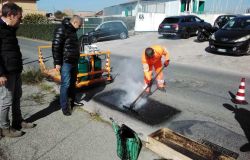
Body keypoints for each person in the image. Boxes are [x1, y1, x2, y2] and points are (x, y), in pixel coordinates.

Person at [0, 2, 35, 138]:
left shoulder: (9, 29)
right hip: (6, 72)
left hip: (15, 70)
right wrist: (1, 73)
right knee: (6, 100)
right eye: (19, 18)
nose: (20, 20)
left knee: (16, 97)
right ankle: (4, 128)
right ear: (10, 15)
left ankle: (18, 121)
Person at [52, 15, 83, 116]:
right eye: (80, 25)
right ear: (75, 22)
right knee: (65, 85)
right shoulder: (62, 29)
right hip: (66, 62)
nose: (80, 27)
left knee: (72, 84)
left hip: (73, 62)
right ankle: (64, 107)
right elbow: (56, 46)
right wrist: (57, 63)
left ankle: (72, 102)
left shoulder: (73, 31)